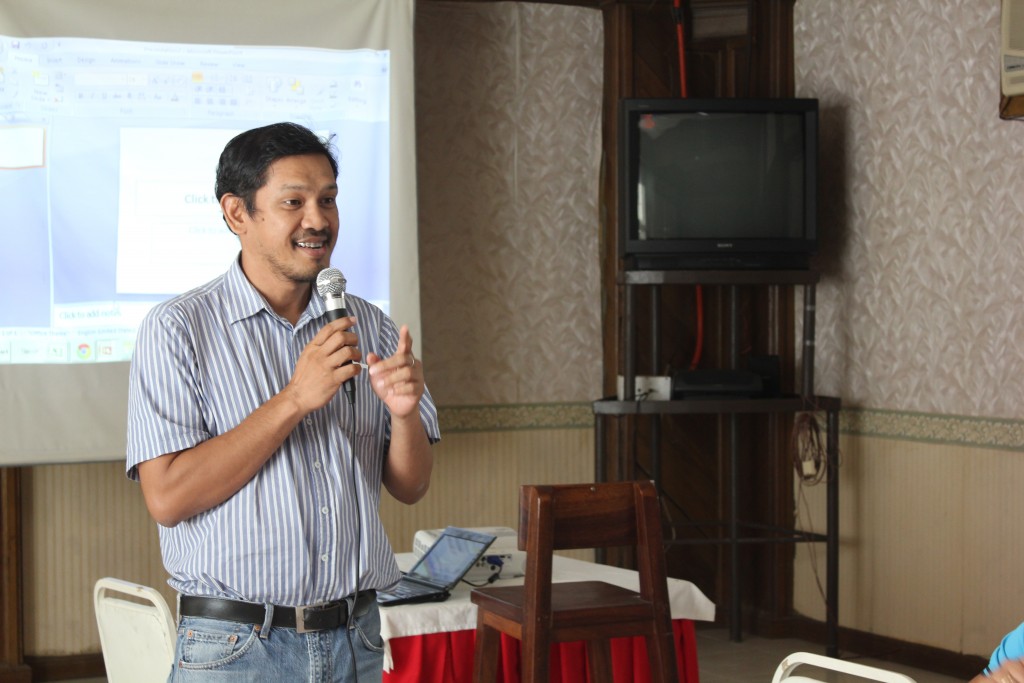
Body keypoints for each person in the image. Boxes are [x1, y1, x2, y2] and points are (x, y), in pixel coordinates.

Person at [126, 121, 439, 682]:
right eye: (293, 202)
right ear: (237, 213)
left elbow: (411, 487)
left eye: (328, 200)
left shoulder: (369, 324)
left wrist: (404, 412)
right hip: (237, 647)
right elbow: (168, 497)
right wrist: (295, 398)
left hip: (356, 637)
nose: (317, 220)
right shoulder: (178, 329)